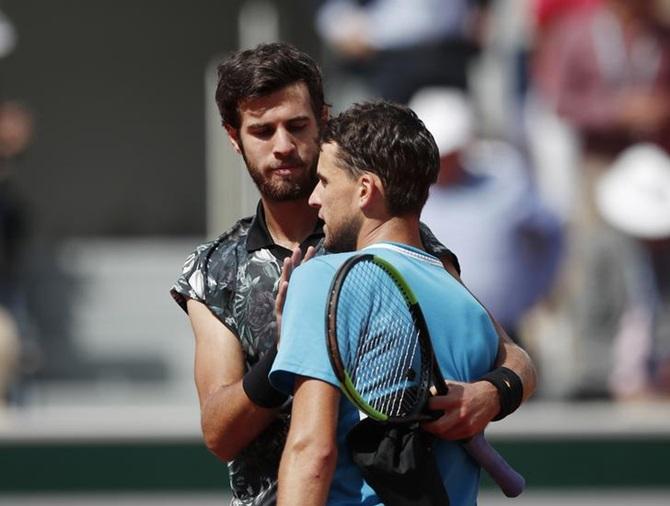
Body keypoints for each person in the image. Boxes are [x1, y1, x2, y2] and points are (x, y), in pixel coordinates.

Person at [171, 42, 536, 505]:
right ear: (233, 136)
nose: (283, 146)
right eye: (262, 131)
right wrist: (289, 352)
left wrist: (491, 393)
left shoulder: (403, 239)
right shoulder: (212, 270)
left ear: (323, 119)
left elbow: (508, 352)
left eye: (297, 126)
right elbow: (220, 433)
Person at [270, 101, 529, 505]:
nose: (314, 199)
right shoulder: (467, 301)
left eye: (324, 181)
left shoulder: (322, 278)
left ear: (364, 190)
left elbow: (311, 450)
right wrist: (498, 391)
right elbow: (520, 363)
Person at [411, 87, 563, 343]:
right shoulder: (406, 194)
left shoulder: (502, 175)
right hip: (433, 338)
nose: (442, 162)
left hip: (505, 331)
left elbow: (549, 233)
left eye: (450, 152)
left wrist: (538, 288)